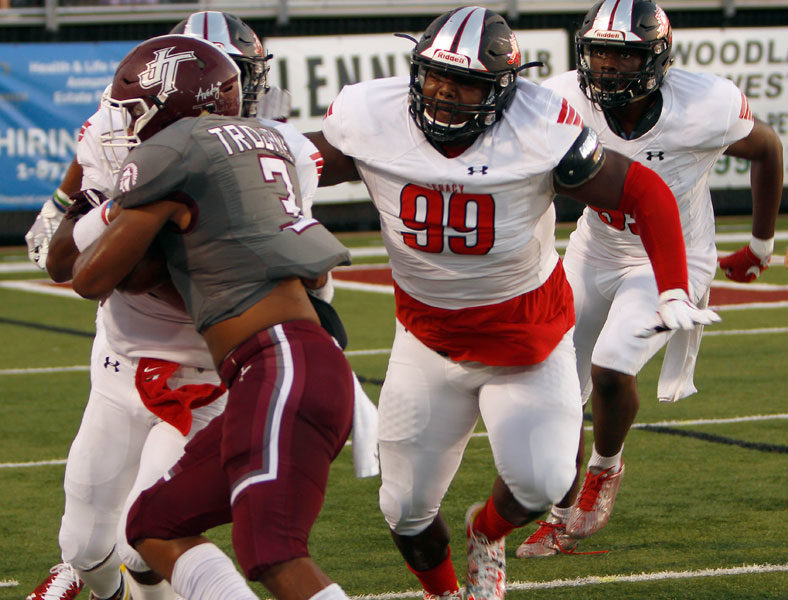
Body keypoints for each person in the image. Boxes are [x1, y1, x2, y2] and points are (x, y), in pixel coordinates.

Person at [304, 6, 720, 599]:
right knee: (404, 509)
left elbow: (645, 191)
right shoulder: (373, 115)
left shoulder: (537, 126)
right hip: (427, 341)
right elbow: (284, 173)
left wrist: (675, 283)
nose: (446, 94)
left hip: (529, 338)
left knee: (542, 483)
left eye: (467, 82)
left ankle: (486, 531)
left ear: (503, 88)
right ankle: (447, 594)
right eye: (436, 77)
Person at [26, 13, 378, 600]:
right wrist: (94, 196)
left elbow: (119, 273)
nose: (238, 95)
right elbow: (60, 259)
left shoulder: (262, 145)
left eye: (241, 78)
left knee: (149, 537)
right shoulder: (138, 137)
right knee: (89, 545)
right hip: (124, 359)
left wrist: (128, 209)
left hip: (216, 371)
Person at [515, 0, 784, 558]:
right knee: (557, 386)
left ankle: (603, 470)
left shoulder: (703, 105)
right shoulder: (560, 99)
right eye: (600, 53)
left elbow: (768, 148)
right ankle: (559, 515)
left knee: (612, 367)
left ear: (657, 58)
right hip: (596, 247)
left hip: (675, 256)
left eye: (624, 54)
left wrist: (761, 243)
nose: (609, 67)